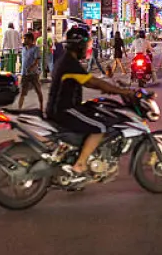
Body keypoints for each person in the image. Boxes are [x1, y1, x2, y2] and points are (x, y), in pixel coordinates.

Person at [46, 27, 134, 180]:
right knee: (100, 127)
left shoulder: (67, 60)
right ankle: (80, 165)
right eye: (86, 44)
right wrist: (122, 92)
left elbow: (90, 82)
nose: (87, 48)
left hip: (65, 107)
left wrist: (110, 88)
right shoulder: (70, 64)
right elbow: (92, 82)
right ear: (79, 45)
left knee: (96, 111)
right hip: (65, 110)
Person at [18, 33, 43, 110]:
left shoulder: (36, 49)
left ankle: (41, 107)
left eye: (26, 39)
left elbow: (37, 60)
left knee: (38, 91)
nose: (24, 40)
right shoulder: (24, 49)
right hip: (24, 74)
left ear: (31, 40)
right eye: (24, 38)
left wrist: (31, 68)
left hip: (33, 74)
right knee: (22, 92)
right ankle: (19, 109)